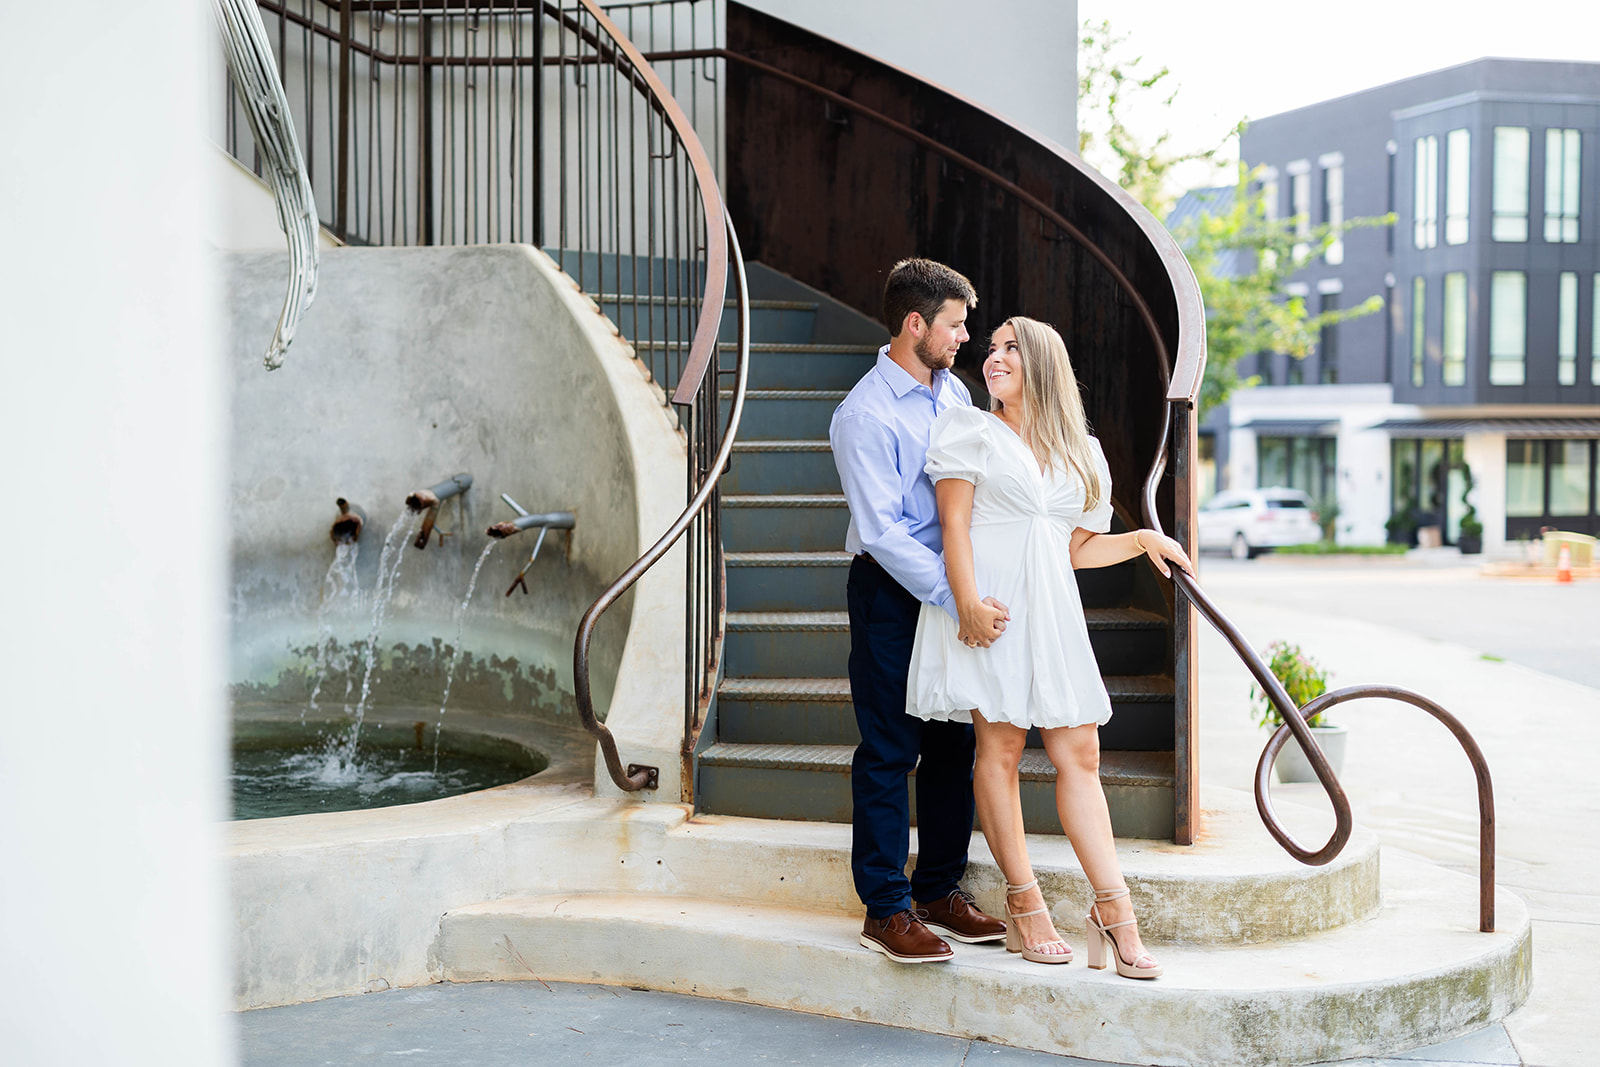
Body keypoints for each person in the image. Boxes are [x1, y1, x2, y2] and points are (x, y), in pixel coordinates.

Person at [906, 316, 1194, 979]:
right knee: (1000, 748)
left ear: (1043, 362)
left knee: (1080, 751)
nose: (993, 355)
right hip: (992, 609)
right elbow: (952, 523)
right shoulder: (969, 430)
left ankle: (1114, 908)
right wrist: (968, 602)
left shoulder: (1083, 450)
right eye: (991, 347)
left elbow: (1074, 546)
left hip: (1054, 615)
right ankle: (1024, 902)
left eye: (1010, 346)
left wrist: (1143, 540)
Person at [830, 258, 1009, 964]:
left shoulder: (955, 396)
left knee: (953, 747)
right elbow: (882, 531)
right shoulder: (863, 415)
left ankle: (938, 891)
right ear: (916, 324)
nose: (966, 336)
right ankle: (885, 907)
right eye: (956, 324)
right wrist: (955, 594)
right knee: (888, 750)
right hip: (891, 593)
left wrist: (970, 587)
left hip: (949, 591)